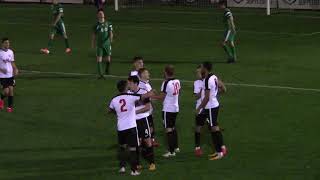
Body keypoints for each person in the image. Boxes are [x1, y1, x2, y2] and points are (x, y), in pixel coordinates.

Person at [108, 80, 152, 176]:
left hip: (121, 127)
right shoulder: (131, 97)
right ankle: (134, 170)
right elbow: (142, 96)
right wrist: (150, 93)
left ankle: (122, 167)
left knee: (122, 147)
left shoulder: (114, 99)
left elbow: (109, 110)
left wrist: (118, 113)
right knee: (133, 148)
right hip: (131, 127)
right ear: (126, 88)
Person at [196, 62, 227, 160]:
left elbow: (206, 98)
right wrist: (215, 95)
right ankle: (220, 150)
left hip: (210, 107)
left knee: (214, 129)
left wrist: (199, 108)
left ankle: (219, 153)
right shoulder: (214, 77)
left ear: (205, 68)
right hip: (215, 105)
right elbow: (224, 89)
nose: (200, 69)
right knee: (215, 127)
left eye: (201, 67)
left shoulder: (207, 80)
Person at [127, 76, 156, 171]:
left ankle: (152, 163)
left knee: (147, 141)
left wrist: (135, 112)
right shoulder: (128, 93)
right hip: (133, 122)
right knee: (137, 142)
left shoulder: (143, 92)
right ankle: (138, 163)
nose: (128, 85)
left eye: (130, 83)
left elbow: (148, 107)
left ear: (135, 83)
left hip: (143, 120)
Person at [152, 65, 181, 158]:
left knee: (168, 129)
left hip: (168, 109)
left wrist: (151, 96)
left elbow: (162, 97)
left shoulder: (165, 83)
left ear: (165, 72)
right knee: (173, 127)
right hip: (175, 107)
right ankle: (176, 147)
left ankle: (171, 151)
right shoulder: (177, 81)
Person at [138, 68, 160, 147]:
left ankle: (150, 140)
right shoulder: (142, 85)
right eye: (147, 73)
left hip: (148, 109)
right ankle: (144, 142)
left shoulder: (146, 83)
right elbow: (147, 97)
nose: (149, 74)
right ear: (142, 75)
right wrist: (154, 96)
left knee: (150, 125)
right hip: (145, 110)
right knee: (147, 126)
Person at [92, 9, 113, 78]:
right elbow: (94, 35)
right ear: (97, 15)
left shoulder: (108, 23)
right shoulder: (96, 25)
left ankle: (107, 70)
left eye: (102, 13)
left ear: (104, 15)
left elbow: (111, 33)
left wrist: (110, 41)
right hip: (99, 44)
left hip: (107, 44)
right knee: (99, 59)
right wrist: (93, 43)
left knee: (108, 59)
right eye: (100, 13)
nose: (101, 14)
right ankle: (101, 74)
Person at [0, 38, 19, 113]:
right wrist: (1, 70)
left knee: (11, 90)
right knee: (6, 92)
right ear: (2, 44)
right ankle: (1, 99)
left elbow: (12, 62)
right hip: (2, 76)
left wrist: (15, 69)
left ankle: (9, 107)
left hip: (10, 75)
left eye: (8, 43)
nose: (7, 44)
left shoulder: (11, 52)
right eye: (6, 43)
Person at [193, 65, 206, 156]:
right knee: (198, 127)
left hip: (210, 106)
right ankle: (197, 147)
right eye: (196, 72)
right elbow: (196, 96)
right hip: (200, 108)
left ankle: (220, 146)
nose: (197, 74)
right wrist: (202, 89)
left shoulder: (209, 80)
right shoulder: (197, 83)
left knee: (213, 126)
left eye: (198, 72)